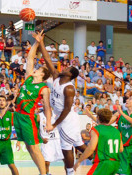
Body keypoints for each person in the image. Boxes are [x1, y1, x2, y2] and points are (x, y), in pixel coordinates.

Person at [37, 31, 87, 175]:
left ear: (70, 74)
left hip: (67, 119)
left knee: (66, 148)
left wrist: (54, 124)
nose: (64, 67)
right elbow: (47, 60)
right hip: (64, 117)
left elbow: (66, 110)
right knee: (79, 145)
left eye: (67, 68)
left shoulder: (69, 88)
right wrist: (41, 42)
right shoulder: (57, 77)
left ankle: (70, 173)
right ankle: (101, 158)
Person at [13, 32, 52, 175]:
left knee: (35, 148)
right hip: (17, 115)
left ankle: (44, 173)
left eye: (39, 69)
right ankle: (42, 172)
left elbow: (47, 108)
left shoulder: (44, 88)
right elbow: (30, 59)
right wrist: (36, 42)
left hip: (27, 117)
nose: (35, 68)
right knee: (29, 148)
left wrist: (48, 122)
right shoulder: (29, 79)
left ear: (42, 74)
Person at [86, 95, 132, 175]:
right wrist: (91, 115)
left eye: (130, 99)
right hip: (123, 147)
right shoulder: (119, 114)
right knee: (123, 173)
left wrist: (121, 113)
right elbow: (105, 123)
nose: (127, 100)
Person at [74, 109, 123, 174]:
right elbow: (121, 149)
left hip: (103, 163)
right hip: (115, 164)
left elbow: (91, 148)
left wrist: (79, 161)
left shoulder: (96, 129)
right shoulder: (116, 131)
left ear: (98, 117)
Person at [39, 110, 63, 175]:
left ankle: (69, 172)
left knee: (65, 159)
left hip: (57, 139)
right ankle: (46, 173)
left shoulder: (56, 113)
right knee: (46, 161)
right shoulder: (39, 116)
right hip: (46, 140)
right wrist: (41, 138)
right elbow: (35, 129)